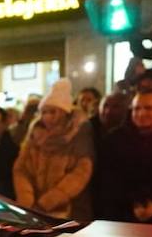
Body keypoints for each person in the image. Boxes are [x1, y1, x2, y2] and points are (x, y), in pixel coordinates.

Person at [13, 79, 94, 219]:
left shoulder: (78, 135)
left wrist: (51, 199)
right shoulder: (34, 134)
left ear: (64, 112)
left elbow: (81, 172)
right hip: (34, 209)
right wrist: (27, 200)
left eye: (52, 112)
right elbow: (21, 168)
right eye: (44, 112)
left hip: (69, 209)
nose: (47, 117)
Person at [95, 90, 152, 223]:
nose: (141, 113)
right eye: (136, 108)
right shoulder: (114, 139)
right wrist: (135, 203)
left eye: (149, 108)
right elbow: (108, 180)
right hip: (120, 216)